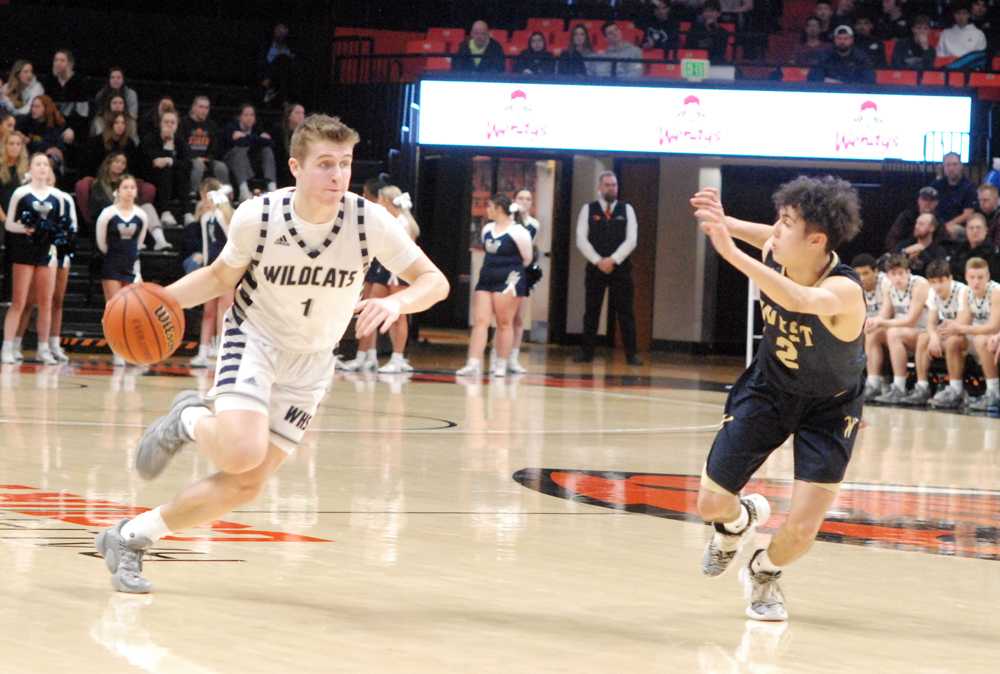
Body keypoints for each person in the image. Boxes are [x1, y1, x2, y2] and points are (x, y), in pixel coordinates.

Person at [93, 114, 449, 593]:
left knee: (247, 483)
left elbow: (435, 282)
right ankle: (190, 421)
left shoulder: (369, 220)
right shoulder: (258, 216)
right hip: (255, 338)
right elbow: (221, 278)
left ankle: (130, 537)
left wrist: (396, 301)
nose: (337, 175)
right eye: (325, 164)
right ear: (295, 167)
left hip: (314, 359)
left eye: (344, 164)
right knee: (242, 451)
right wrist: (161, 304)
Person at [689, 176, 865, 622]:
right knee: (710, 505)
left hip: (830, 407)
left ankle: (764, 570)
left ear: (817, 240)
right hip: (769, 388)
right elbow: (764, 236)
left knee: (803, 528)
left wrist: (729, 252)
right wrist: (723, 222)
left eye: (786, 223)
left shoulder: (843, 291)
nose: (775, 231)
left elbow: (802, 298)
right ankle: (737, 523)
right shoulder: (779, 249)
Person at [456, 193, 532, 378]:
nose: (487, 210)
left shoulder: (519, 231)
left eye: (490, 207)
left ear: (499, 209)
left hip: (509, 281)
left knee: (504, 323)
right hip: (487, 278)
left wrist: (512, 277)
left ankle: (501, 363)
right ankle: (473, 362)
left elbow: (527, 259)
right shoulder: (487, 228)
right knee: (480, 321)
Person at [2, 154, 66, 365]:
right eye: (37, 164)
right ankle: (8, 346)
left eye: (45, 165)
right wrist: (26, 228)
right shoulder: (21, 193)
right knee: (19, 301)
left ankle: (43, 349)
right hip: (23, 252)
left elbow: (62, 227)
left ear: (49, 170)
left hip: (46, 252)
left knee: (46, 302)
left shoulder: (58, 196)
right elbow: (10, 224)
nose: (41, 168)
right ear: (30, 168)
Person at [574, 171, 641, 366]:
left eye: (614, 185)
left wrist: (613, 259)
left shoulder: (627, 209)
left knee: (626, 311)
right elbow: (581, 239)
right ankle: (586, 353)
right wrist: (598, 260)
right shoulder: (588, 209)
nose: (612, 188)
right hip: (595, 268)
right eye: (608, 185)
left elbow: (632, 239)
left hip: (620, 268)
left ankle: (631, 354)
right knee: (591, 311)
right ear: (600, 188)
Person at [15, 170, 76, 364]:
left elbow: (71, 226)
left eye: (49, 174)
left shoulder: (63, 198)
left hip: (59, 253)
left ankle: (53, 344)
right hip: (35, 253)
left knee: (56, 301)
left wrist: (62, 249)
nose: (46, 178)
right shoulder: (29, 196)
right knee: (28, 301)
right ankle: (17, 342)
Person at [95, 174, 149, 366]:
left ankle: (129, 348)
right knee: (114, 309)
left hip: (130, 266)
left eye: (132, 188)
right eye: (125, 187)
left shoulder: (142, 215)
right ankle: (116, 348)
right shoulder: (107, 214)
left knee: (131, 310)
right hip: (111, 265)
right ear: (118, 191)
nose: (129, 191)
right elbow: (101, 243)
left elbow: (139, 243)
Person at [339, 177, 390, 373]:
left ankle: (364, 356)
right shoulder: (368, 213)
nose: (362, 196)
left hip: (381, 266)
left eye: (365, 193)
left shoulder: (378, 215)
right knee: (368, 309)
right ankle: (369, 356)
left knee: (369, 308)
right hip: (372, 264)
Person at [903, 259, 969, 408]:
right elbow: (931, 323)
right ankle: (922, 387)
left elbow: (961, 323)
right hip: (948, 333)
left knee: (953, 340)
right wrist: (934, 338)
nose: (937, 286)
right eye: (933, 281)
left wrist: (940, 333)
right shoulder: (932, 293)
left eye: (941, 281)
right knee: (923, 337)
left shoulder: (962, 291)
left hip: (968, 335)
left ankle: (956, 389)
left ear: (950, 278)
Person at [183, 178, 234, 368]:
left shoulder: (223, 215)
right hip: (211, 267)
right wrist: (204, 267)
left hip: (226, 267)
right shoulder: (205, 217)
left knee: (224, 310)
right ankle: (203, 351)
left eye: (205, 195)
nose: (203, 199)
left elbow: (233, 242)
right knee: (208, 311)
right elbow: (205, 246)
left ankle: (221, 352)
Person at [941, 257, 1000, 411]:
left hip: (995, 338)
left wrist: (961, 328)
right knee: (953, 340)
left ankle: (993, 392)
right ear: (966, 277)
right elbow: (963, 321)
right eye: (972, 277)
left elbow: (993, 327)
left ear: (988, 277)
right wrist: (951, 327)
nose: (976, 282)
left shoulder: (995, 292)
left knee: (981, 340)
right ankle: (956, 390)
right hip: (979, 337)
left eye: (980, 277)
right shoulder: (966, 292)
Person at [871, 254, 930, 404]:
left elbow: (911, 320)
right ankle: (873, 383)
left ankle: (899, 387)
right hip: (905, 332)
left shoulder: (919, 284)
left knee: (893, 333)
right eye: (893, 274)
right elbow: (884, 313)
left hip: (925, 332)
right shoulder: (888, 286)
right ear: (888, 275)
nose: (897, 278)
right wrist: (871, 322)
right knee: (873, 333)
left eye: (901, 273)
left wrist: (883, 322)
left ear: (908, 272)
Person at [375, 185, 421, 374]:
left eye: (379, 199)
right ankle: (370, 354)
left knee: (399, 314)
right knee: (382, 309)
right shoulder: (392, 219)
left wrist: (396, 272)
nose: (377, 202)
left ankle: (398, 357)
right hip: (387, 268)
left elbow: (404, 251)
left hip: (399, 270)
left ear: (386, 200)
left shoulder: (403, 222)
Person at [508, 189, 541, 375]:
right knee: (505, 317)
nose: (524, 201)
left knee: (519, 317)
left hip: (524, 270)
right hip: (507, 269)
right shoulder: (508, 220)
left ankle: (513, 356)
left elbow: (530, 247)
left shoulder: (534, 224)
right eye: (521, 198)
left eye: (528, 199)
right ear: (515, 200)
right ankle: (500, 354)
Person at [142, 109, 191, 225]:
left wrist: (170, 160)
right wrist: (168, 150)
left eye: (172, 122)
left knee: (179, 171)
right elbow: (152, 163)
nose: (169, 125)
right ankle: (165, 211)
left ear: (177, 125)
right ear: (160, 124)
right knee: (166, 169)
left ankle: (187, 213)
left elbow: (188, 164)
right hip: (153, 179)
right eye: (166, 122)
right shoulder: (150, 139)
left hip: (175, 183)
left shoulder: (180, 140)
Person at [852, 253, 890, 400]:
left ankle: (873, 383)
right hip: (869, 327)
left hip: (888, 326)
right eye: (858, 274)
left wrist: (872, 322)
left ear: (876, 271)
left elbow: (887, 312)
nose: (862, 277)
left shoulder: (886, 282)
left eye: (866, 273)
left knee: (872, 332)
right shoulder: (853, 286)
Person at [222, 104, 277, 203]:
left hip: (251, 161)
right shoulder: (231, 127)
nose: (249, 118)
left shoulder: (257, 128)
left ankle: (272, 186)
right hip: (232, 160)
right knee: (240, 150)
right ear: (239, 117)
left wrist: (246, 137)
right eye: (246, 115)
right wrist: (258, 139)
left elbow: (270, 143)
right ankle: (244, 191)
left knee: (267, 150)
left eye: (252, 115)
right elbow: (240, 144)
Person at [181, 96, 231, 198]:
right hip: (189, 159)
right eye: (201, 107)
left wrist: (208, 158)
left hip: (207, 159)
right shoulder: (183, 123)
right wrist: (195, 157)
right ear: (193, 107)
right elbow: (182, 145)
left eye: (206, 108)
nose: (204, 110)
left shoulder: (211, 125)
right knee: (198, 164)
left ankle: (226, 194)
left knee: (221, 166)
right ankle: (192, 194)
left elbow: (215, 147)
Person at [16, 95, 74, 173]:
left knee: (49, 159)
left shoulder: (55, 124)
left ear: (46, 108)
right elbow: (17, 130)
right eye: (32, 106)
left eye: (37, 107)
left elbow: (53, 148)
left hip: (51, 157)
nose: (33, 109)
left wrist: (30, 141)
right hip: (32, 153)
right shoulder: (28, 119)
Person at [41, 49, 89, 141]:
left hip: (74, 123)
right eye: (56, 60)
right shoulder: (49, 80)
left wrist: (71, 128)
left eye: (62, 60)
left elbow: (82, 112)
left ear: (70, 64)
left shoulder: (79, 81)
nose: (58, 63)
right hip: (54, 121)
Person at [932, 152, 977, 241]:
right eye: (948, 165)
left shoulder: (969, 187)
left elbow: (968, 214)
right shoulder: (936, 185)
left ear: (961, 166)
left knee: (951, 230)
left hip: (958, 227)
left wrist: (946, 226)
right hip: (937, 224)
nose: (951, 168)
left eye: (955, 164)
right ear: (943, 168)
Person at [808, 25, 875, 83]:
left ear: (852, 40)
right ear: (834, 39)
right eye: (839, 38)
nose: (842, 41)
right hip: (829, 92)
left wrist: (844, 83)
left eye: (846, 38)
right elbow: (813, 78)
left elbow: (869, 80)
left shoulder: (861, 57)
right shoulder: (824, 56)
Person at [85, 111, 140, 177]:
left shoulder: (129, 142)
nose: (120, 126)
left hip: (123, 178)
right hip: (101, 177)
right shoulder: (97, 141)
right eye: (116, 123)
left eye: (123, 123)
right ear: (110, 125)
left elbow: (133, 166)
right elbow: (91, 166)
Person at [885, 186, 939, 252]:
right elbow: (891, 239)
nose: (927, 203)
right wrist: (899, 254)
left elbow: (943, 241)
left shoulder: (938, 220)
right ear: (919, 200)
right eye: (924, 199)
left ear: (936, 203)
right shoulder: (906, 216)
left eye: (931, 200)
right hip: (904, 252)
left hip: (928, 254)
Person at [950, 213, 998, 279]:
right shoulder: (960, 248)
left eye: (978, 227)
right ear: (966, 230)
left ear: (986, 230)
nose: (975, 231)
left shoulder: (993, 253)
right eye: (971, 228)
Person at [273, 102, 305, 188]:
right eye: (297, 113)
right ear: (289, 116)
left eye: (302, 113)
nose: (301, 116)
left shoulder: (306, 133)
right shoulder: (279, 131)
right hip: (284, 167)